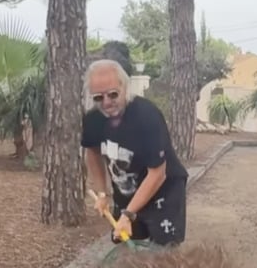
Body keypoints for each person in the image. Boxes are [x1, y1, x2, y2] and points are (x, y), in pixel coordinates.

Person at [81, 59, 189, 247]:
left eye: (113, 94)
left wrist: (128, 214)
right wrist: (102, 193)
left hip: (164, 190)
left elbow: (157, 174)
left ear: (125, 87)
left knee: (162, 252)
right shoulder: (93, 119)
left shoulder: (147, 117)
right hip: (127, 190)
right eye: (98, 97)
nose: (106, 103)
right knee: (128, 244)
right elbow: (92, 152)